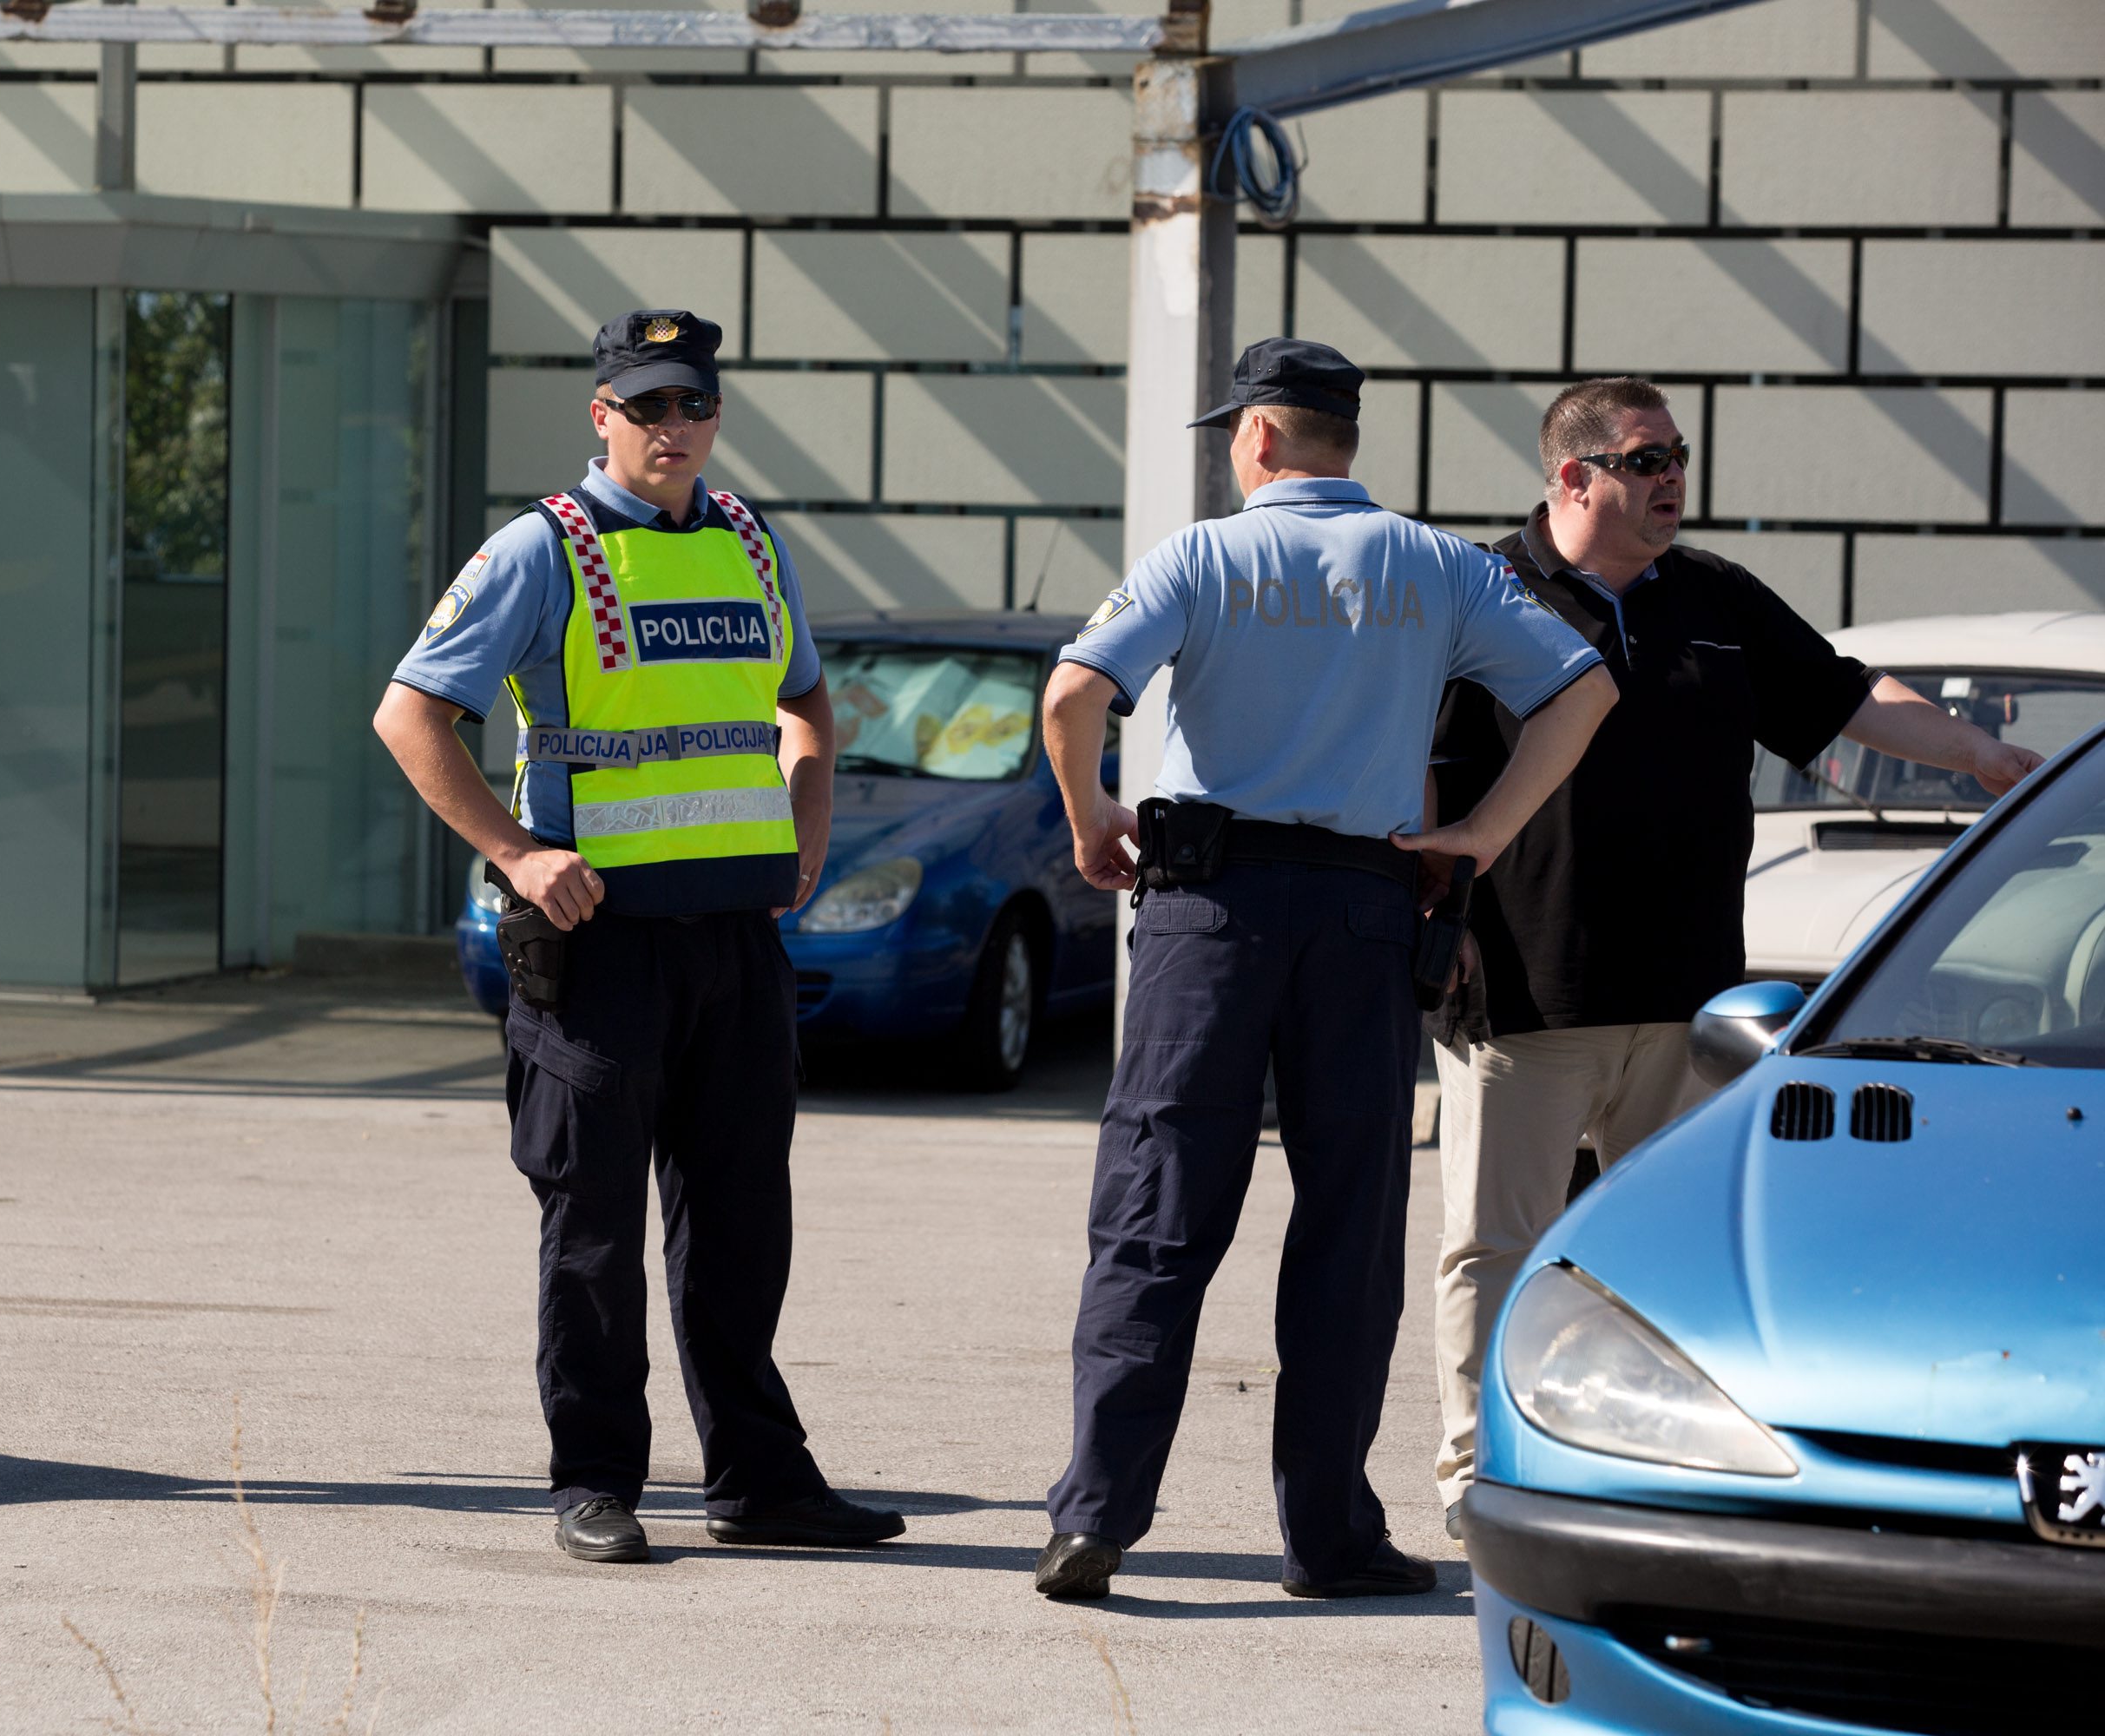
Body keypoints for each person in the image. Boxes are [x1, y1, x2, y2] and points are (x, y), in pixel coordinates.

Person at [1030, 338, 1619, 1602]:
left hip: (1206, 916)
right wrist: (1483, 834)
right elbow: (1581, 691)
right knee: (1349, 1232)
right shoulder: (1432, 564)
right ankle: (1332, 1538)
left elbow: (1076, 691)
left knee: (1156, 1212)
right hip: (1364, 913)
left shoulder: (1202, 555)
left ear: (1255, 437)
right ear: (1343, 438)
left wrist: (1090, 821)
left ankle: (1095, 1520)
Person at [1426, 375, 2043, 1534]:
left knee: (1665, 1262)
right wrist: (1436, 912)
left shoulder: (1712, 596)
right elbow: (1426, 762)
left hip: (1690, 998)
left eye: (1679, 457)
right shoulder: (1482, 590)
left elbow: (1848, 699)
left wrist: (1982, 758)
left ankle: (1653, 1470)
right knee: (1495, 1251)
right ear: (1575, 475)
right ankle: (1477, 1479)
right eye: (1648, 460)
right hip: (1525, 990)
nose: (1674, 480)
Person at [372, 309, 904, 1564]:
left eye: (694, 407)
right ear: (601, 416)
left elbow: (809, 699)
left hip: (734, 942)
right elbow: (409, 715)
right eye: (649, 407)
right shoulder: (539, 550)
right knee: (595, 1227)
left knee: (739, 1226)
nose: (675, 429)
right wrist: (514, 853)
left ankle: (761, 1482)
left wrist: (808, 825)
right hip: (600, 947)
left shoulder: (748, 541)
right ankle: (596, 1480)